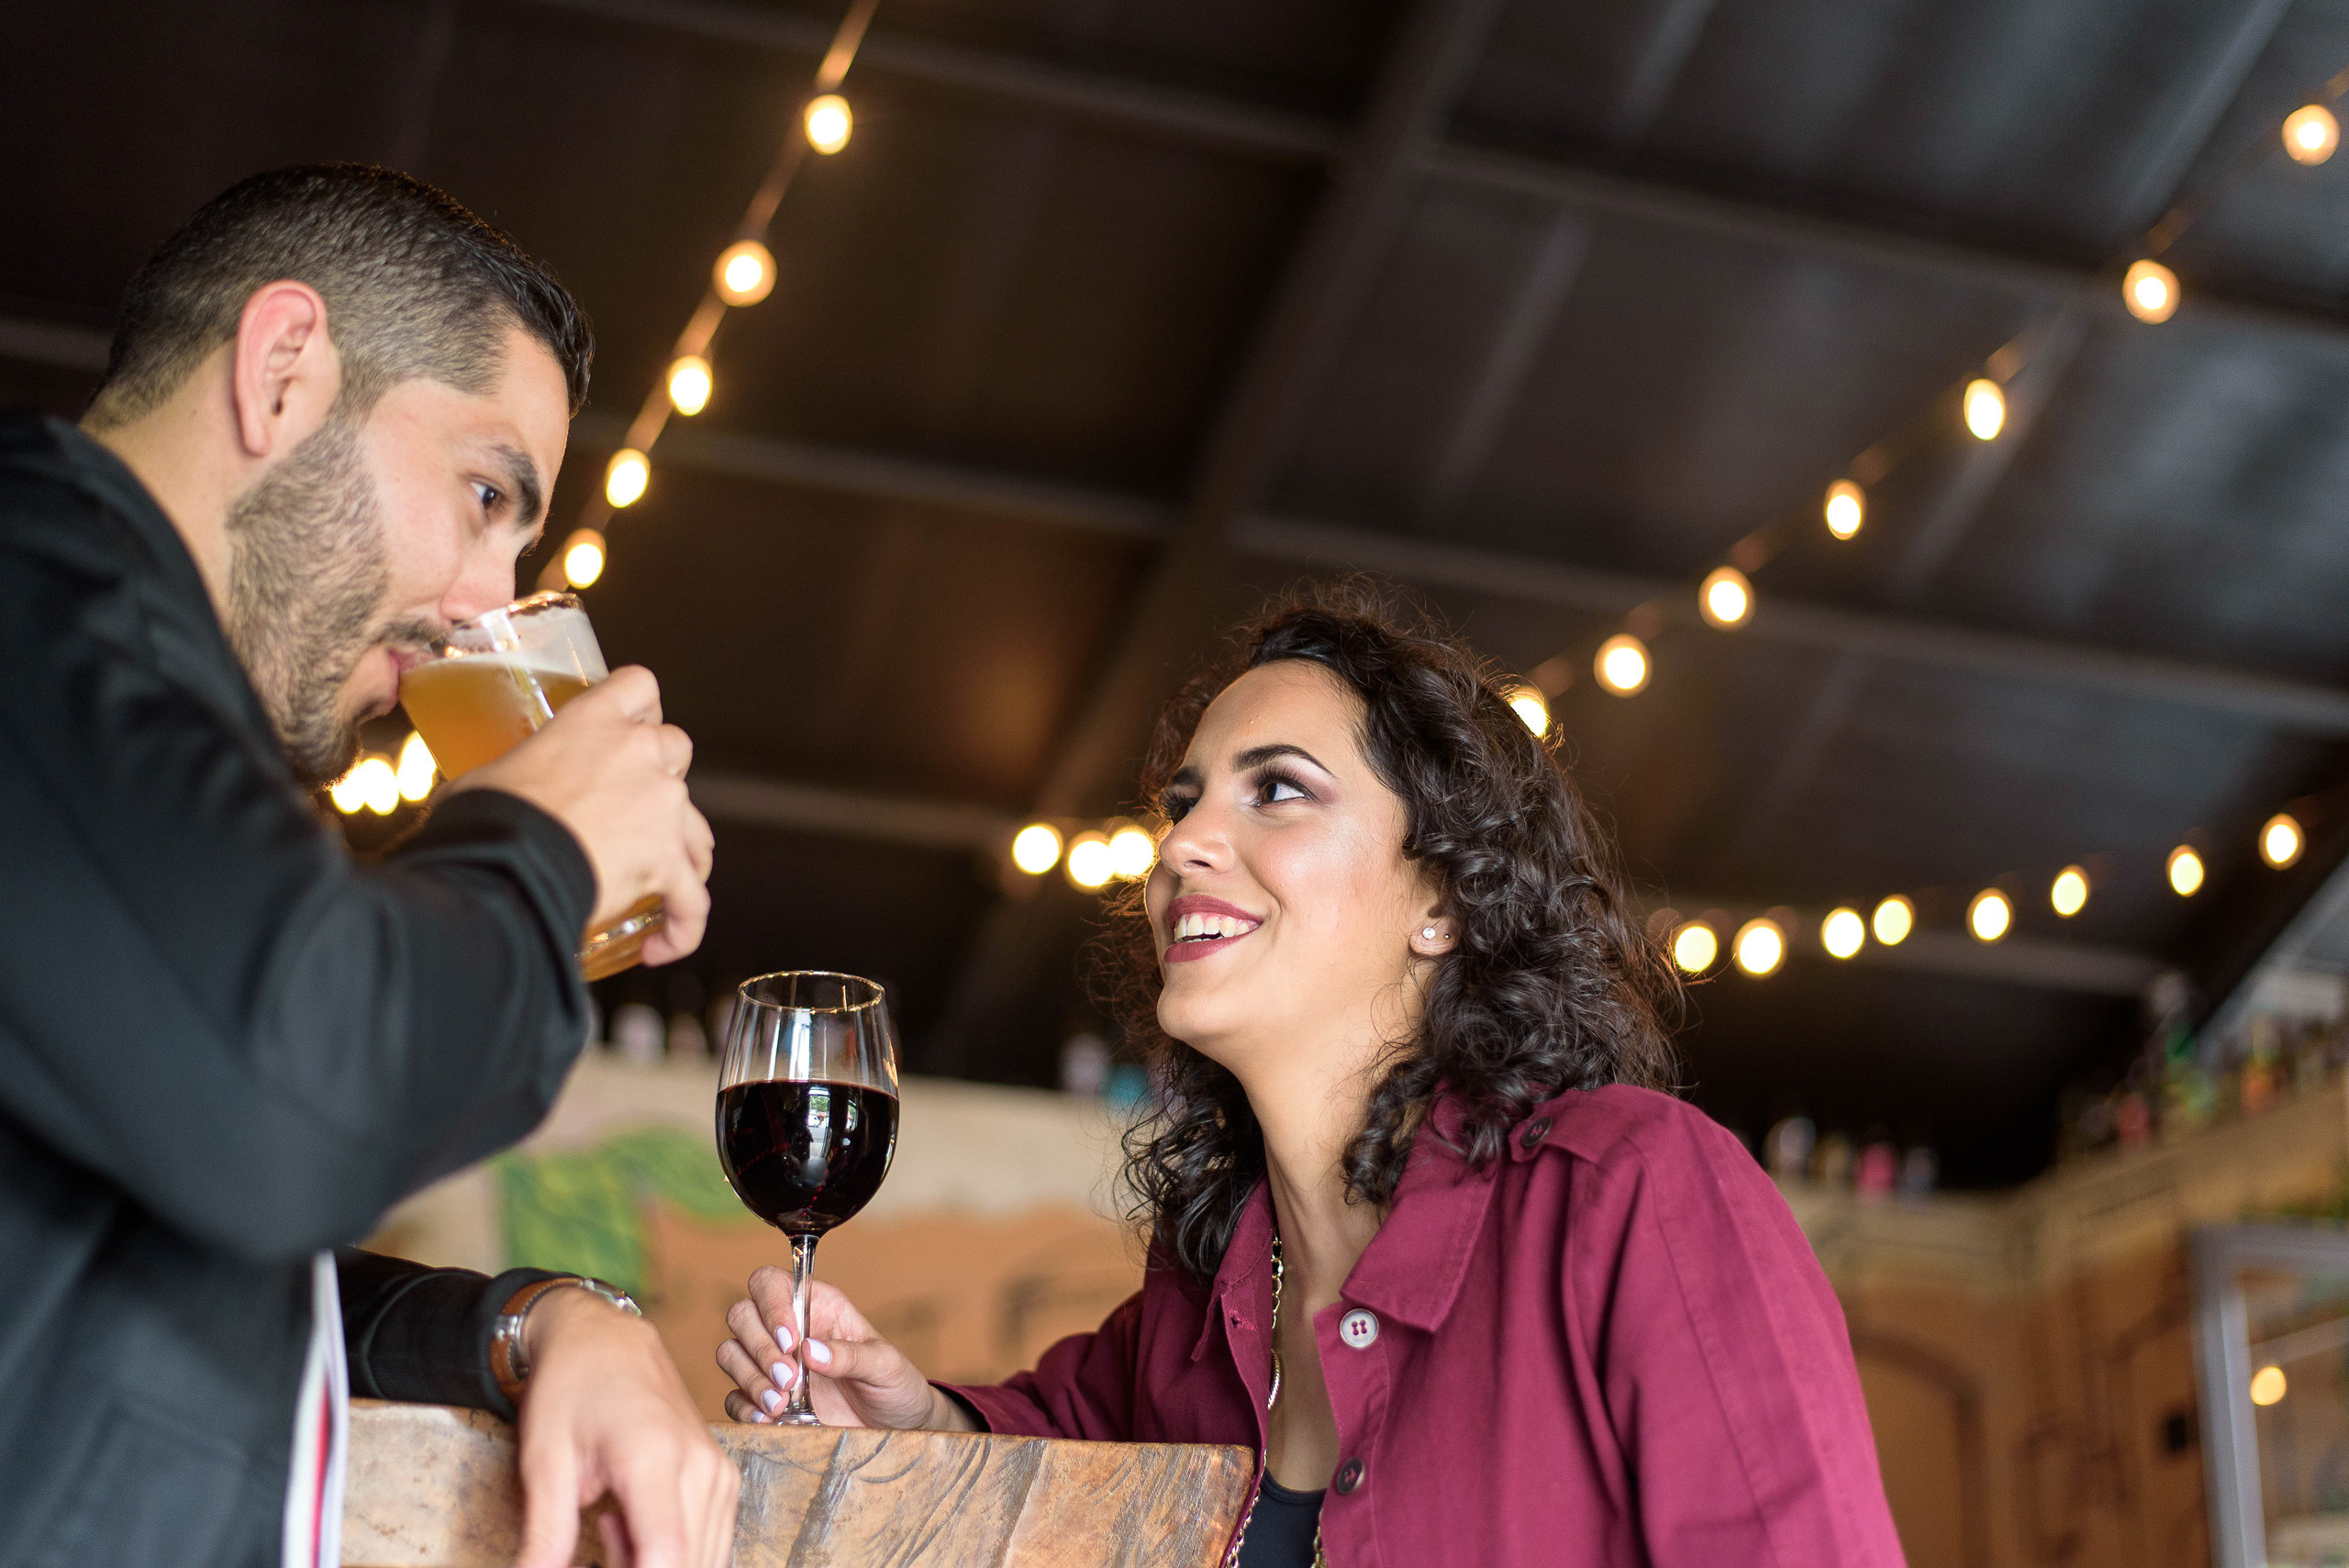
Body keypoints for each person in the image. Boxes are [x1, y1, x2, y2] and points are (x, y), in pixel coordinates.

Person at [716, 585, 1907, 1565]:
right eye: (1182, 805)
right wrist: (901, 1412)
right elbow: (1041, 1448)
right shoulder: (1192, 1310)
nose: (1181, 842)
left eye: (1275, 789)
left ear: (1442, 899)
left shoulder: (1635, 1194)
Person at [0, 166, 735, 1568]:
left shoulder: (128, 714)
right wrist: (545, 849)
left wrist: (536, 1324)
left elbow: (210, 1245)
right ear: (283, 371)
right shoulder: (31, 585)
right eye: (482, 492)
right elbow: (291, 1095)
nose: (484, 604)